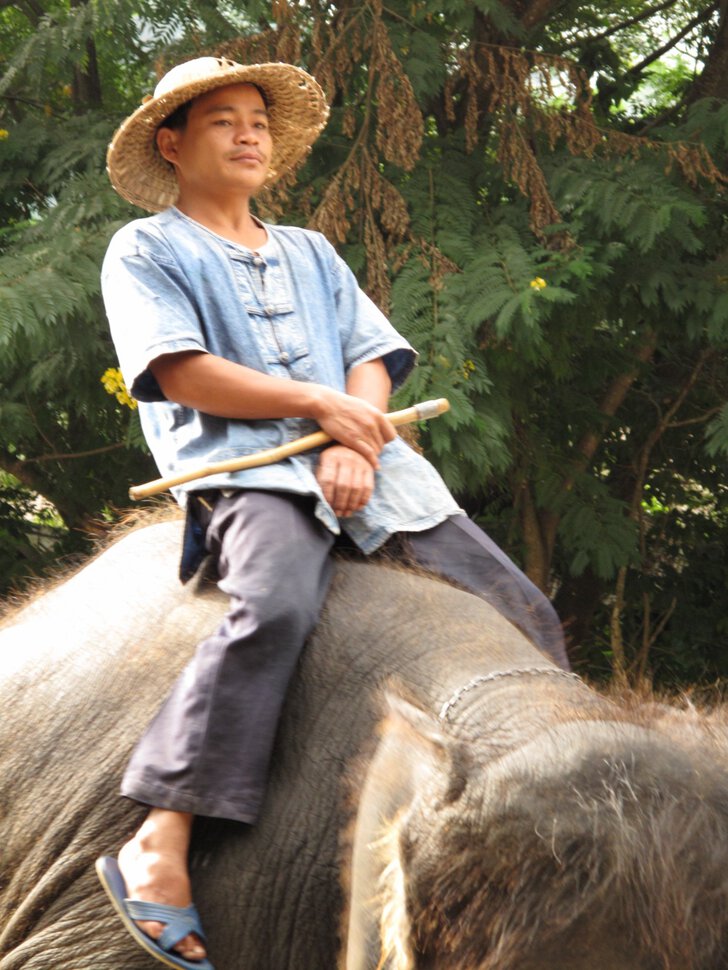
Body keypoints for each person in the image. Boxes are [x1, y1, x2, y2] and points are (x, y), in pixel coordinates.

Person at [95, 55, 569, 970]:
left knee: (524, 613)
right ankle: (161, 837)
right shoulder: (147, 248)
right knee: (271, 607)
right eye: (224, 120)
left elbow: (373, 358)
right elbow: (182, 371)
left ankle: (541, 826)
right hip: (249, 470)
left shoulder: (312, 250)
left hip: (378, 471)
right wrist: (319, 413)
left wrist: (356, 439)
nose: (248, 135)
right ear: (172, 142)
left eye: (259, 123)